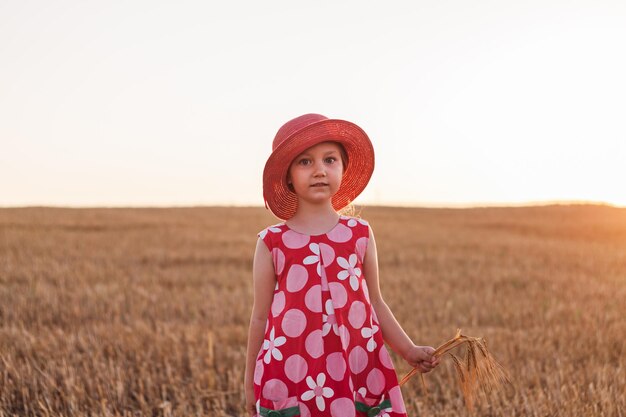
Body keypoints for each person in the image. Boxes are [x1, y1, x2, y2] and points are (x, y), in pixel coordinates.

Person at [244, 114, 440, 417]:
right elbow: (260, 318)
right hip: (292, 370)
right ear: (288, 176)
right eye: (305, 162)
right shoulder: (272, 242)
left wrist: (409, 350)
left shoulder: (359, 234)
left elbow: (376, 302)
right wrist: (249, 384)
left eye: (330, 159)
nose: (319, 170)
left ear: (342, 167)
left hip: (358, 366)